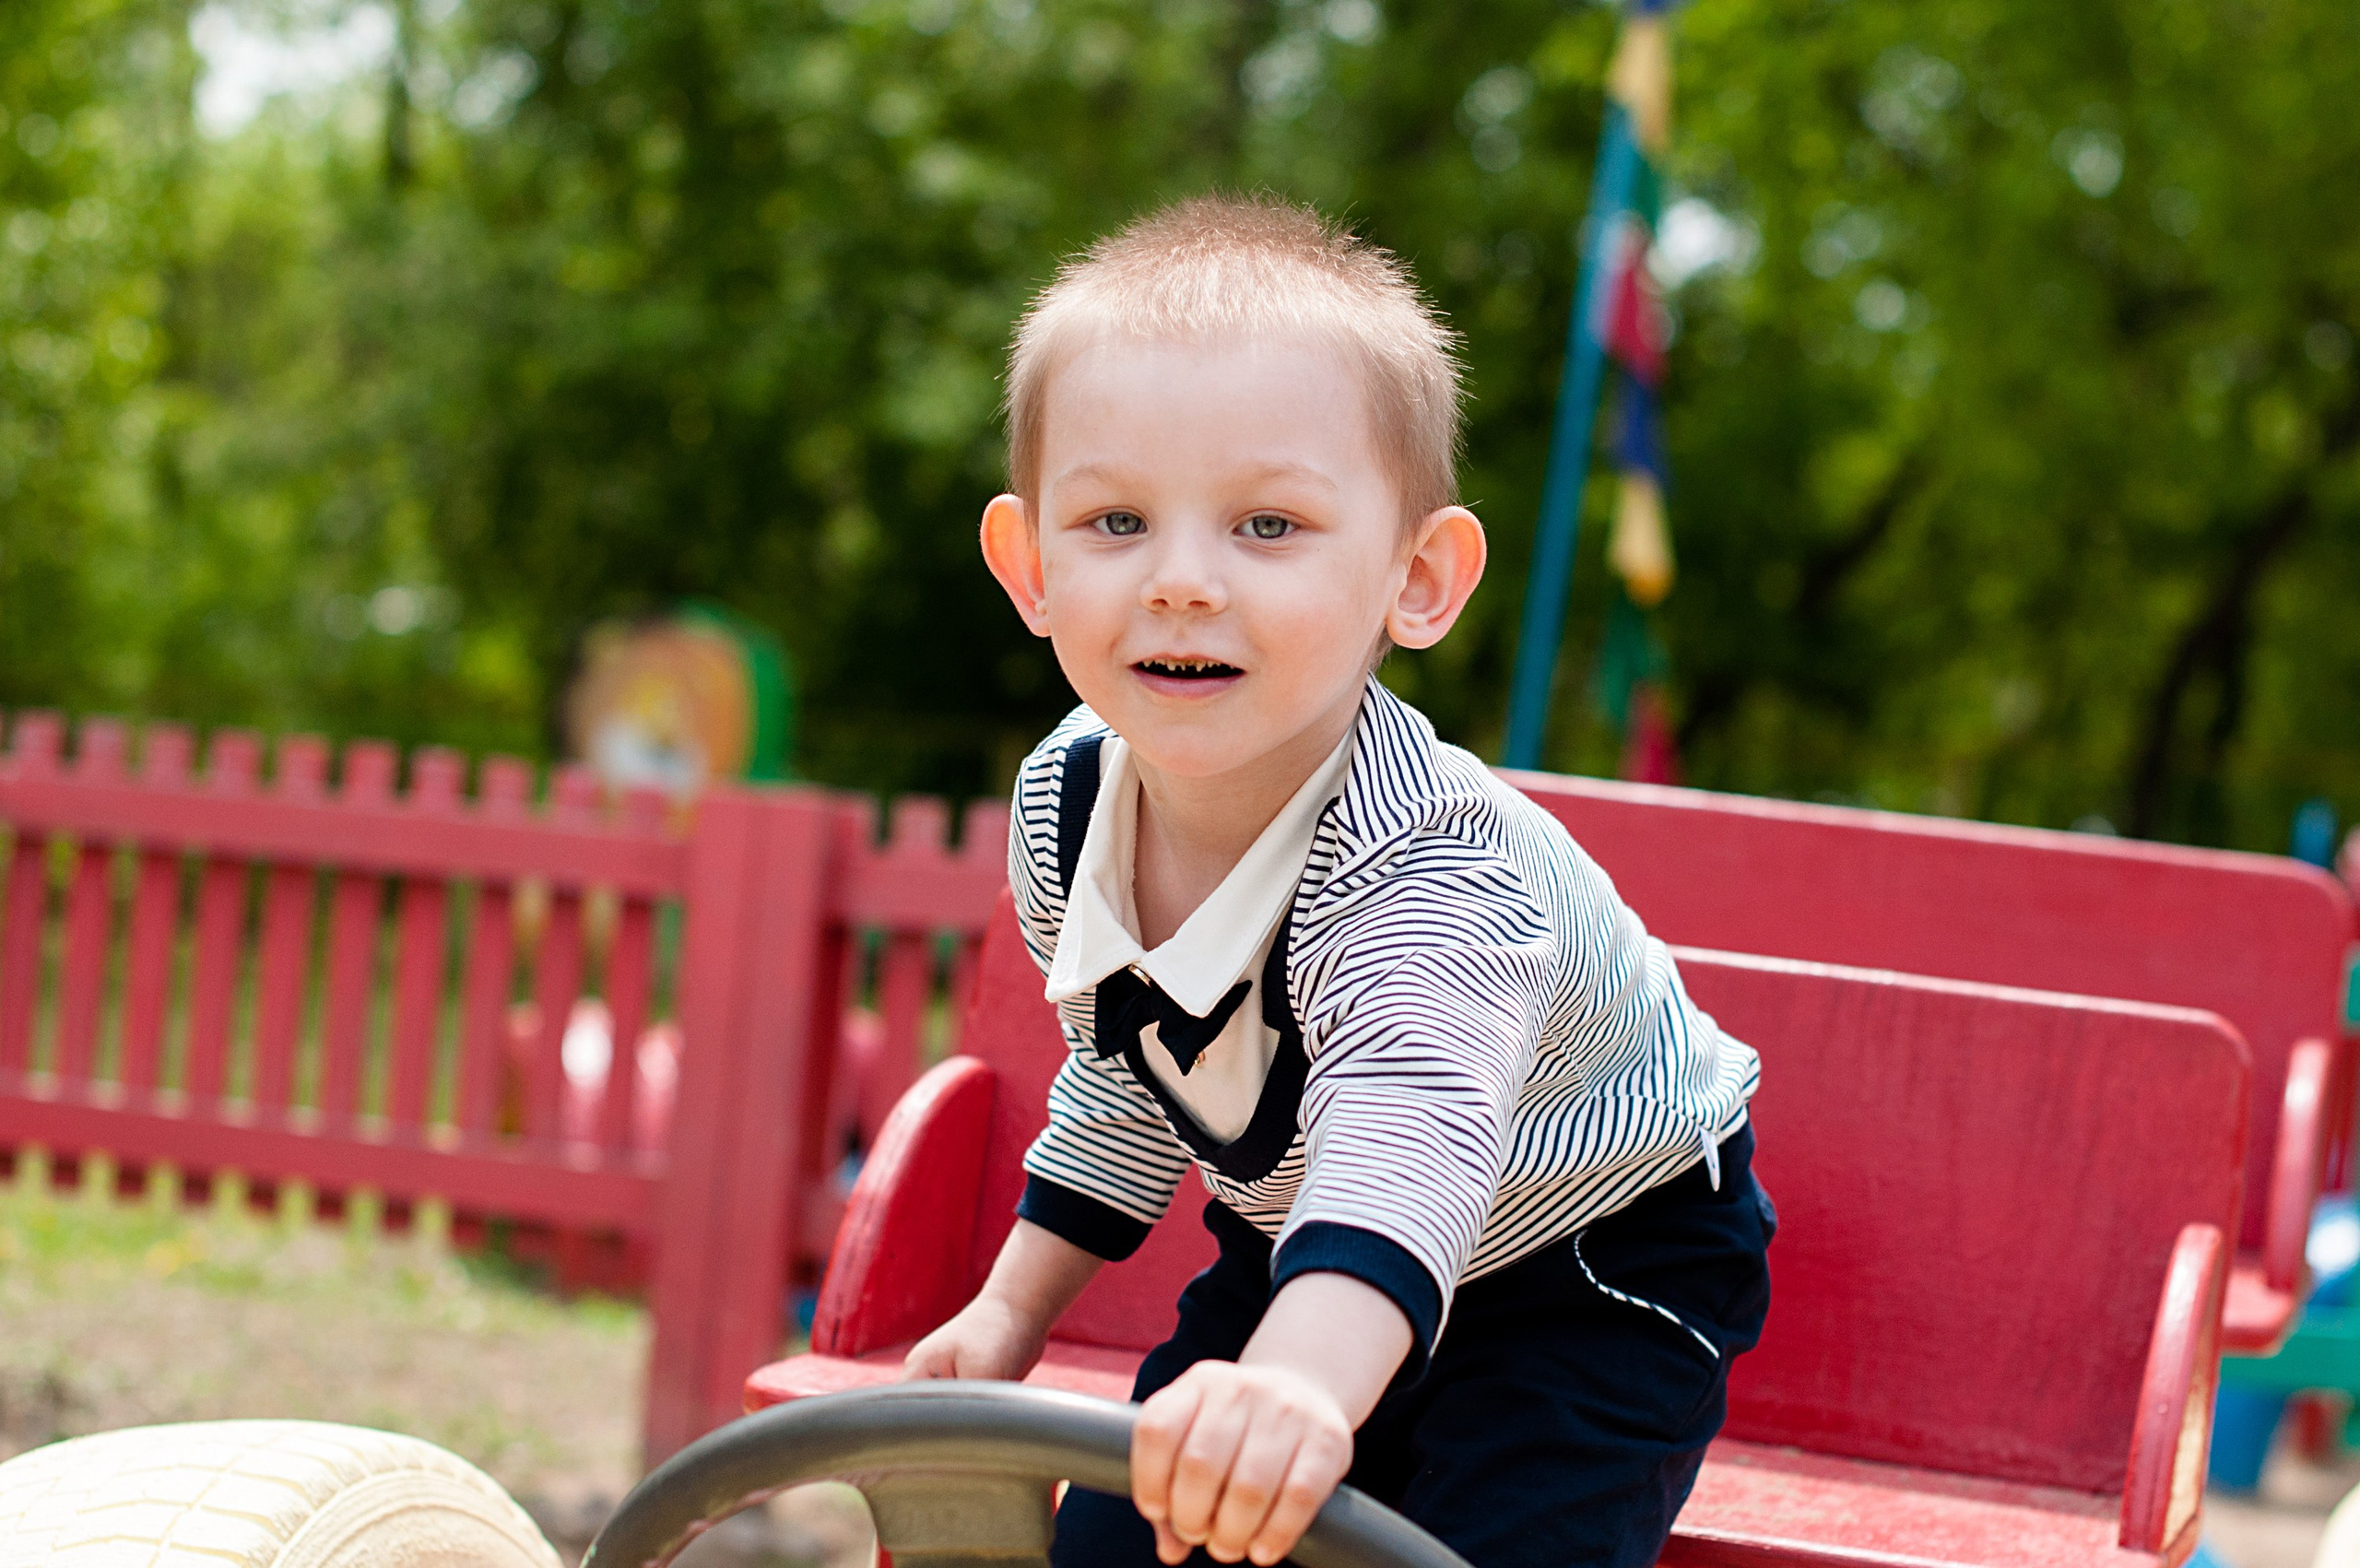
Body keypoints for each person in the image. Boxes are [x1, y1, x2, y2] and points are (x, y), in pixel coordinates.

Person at [903, 192, 1773, 1568]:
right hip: (1309, 1237)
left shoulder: (1430, 874)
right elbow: (1131, 1069)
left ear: (1416, 579)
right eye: (1117, 520)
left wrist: (1300, 1386)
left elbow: (1409, 1135)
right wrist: (1012, 1311)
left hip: (1586, 1253)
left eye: (1267, 526)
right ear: (1030, 567)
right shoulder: (1067, 808)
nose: (1183, 581)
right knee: (1132, 1543)